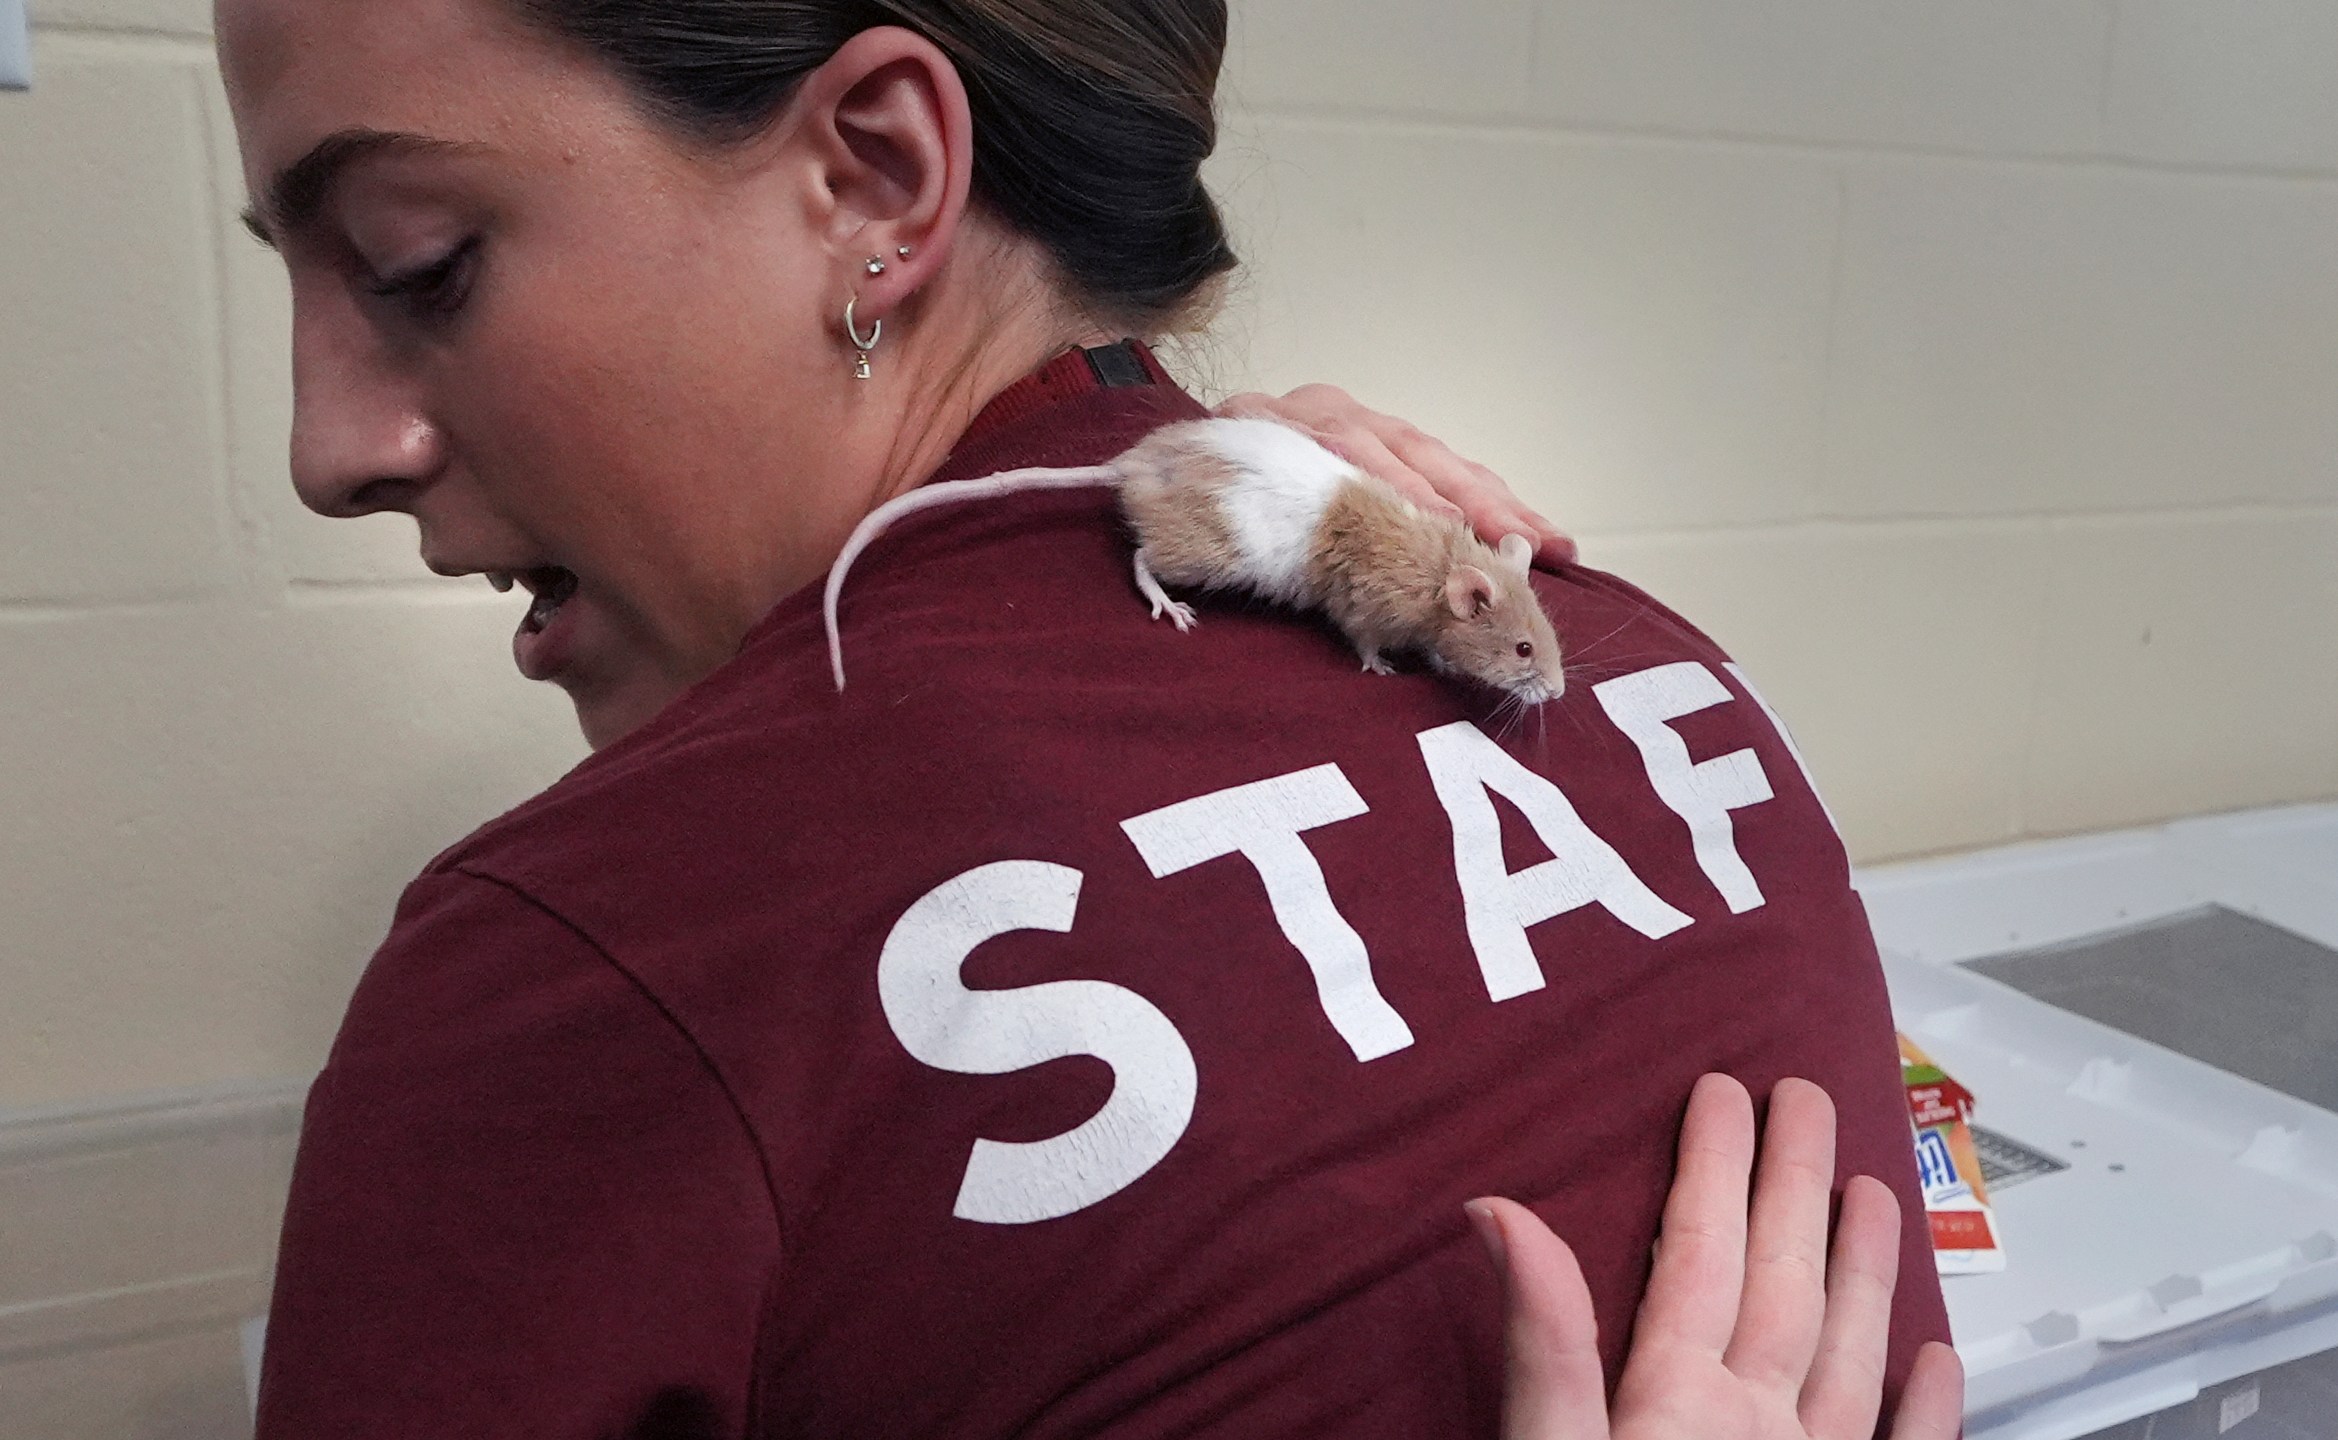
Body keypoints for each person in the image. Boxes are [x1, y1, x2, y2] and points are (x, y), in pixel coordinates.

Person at [217, 0, 1960, 1433]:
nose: (329, 452)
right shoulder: (1672, 681)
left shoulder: (580, 963)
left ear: (875, 173)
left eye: (417, 261)